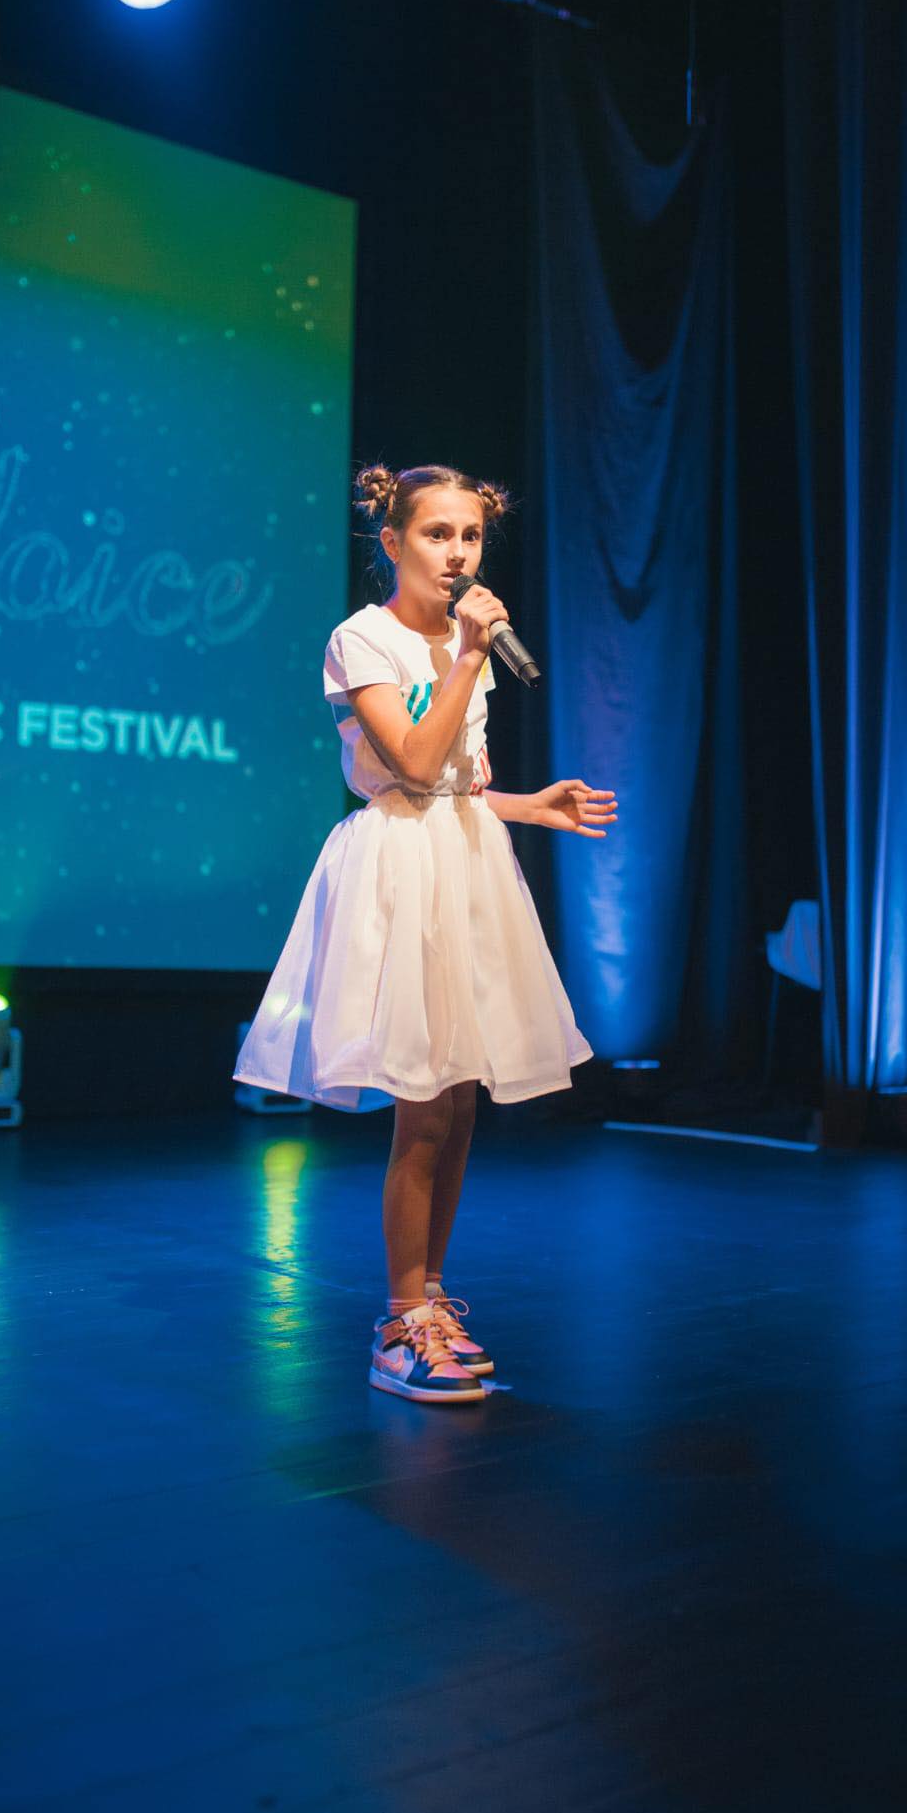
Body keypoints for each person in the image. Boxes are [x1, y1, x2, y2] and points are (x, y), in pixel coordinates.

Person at [234, 463, 617, 1403]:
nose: (457, 554)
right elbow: (409, 764)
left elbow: (457, 784)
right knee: (421, 1103)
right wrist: (470, 658)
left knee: (459, 1100)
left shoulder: (461, 643)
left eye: (470, 536)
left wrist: (531, 805)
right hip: (399, 870)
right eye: (437, 533)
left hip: (465, 861)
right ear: (392, 541)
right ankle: (401, 1321)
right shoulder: (362, 638)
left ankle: (433, 1299)